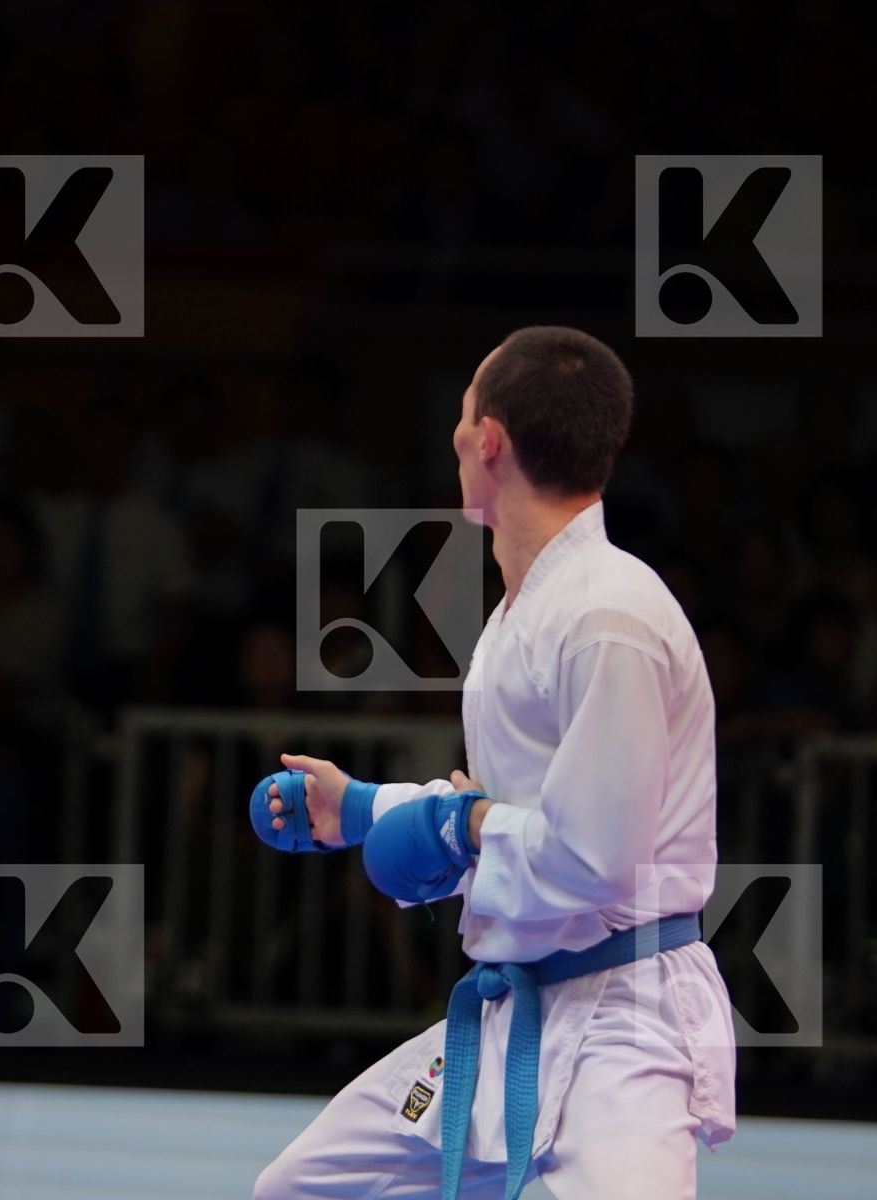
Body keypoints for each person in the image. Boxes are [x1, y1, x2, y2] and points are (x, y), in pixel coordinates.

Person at [247, 326, 735, 1199]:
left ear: (489, 441)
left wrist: (460, 825)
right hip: (516, 1011)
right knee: (301, 1190)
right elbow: (508, 810)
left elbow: (589, 855)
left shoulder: (608, 616)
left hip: (623, 1022)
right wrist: (364, 809)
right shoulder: (528, 609)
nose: (456, 434)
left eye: (466, 412)